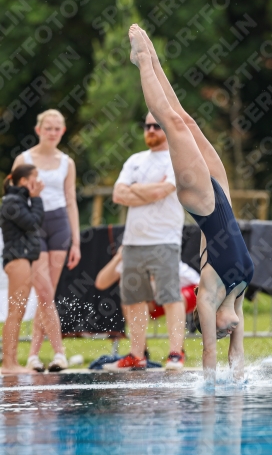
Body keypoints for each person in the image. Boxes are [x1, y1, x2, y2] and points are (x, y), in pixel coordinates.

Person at [128, 25, 254, 381]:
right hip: (221, 199)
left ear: (208, 317)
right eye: (232, 330)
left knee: (172, 126)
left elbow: (210, 355)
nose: (230, 330)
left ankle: (141, 61)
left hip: (204, 203)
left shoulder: (208, 294)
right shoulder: (240, 292)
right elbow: (237, 357)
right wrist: (238, 381)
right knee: (187, 121)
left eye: (220, 329)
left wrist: (211, 391)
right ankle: (151, 55)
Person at [111, 111, 186, 370]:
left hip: (164, 239)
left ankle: (176, 352)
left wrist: (136, 190)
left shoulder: (177, 159)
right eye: (147, 126)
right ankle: (136, 354)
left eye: (156, 125)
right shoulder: (134, 160)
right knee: (134, 299)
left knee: (169, 296)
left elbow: (162, 191)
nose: (151, 130)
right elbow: (118, 195)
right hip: (133, 240)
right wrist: (149, 191)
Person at [12, 109, 81, 372]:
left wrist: (75, 241)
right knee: (44, 291)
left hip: (59, 223)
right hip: (33, 223)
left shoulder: (67, 162)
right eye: (47, 128)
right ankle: (58, 352)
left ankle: (33, 356)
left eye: (57, 128)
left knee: (47, 293)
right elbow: (14, 200)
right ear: (38, 130)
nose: (52, 132)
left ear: (62, 131)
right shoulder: (24, 159)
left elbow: (71, 200)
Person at [0, 165, 44, 374]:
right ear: (24, 181)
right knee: (15, 312)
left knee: (17, 311)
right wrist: (36, 198)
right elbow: (34, 223)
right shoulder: (12, 202)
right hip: (17, 260)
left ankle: (11, 362)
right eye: (35, 177)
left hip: (22, 258)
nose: (39, 181)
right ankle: (9, 363)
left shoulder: (17, 201)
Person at [95, 246, 199, 319]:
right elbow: (101, 283)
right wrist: (118, 257)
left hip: (193, 289)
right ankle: (140, 349)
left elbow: (154, 278)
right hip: (158, 300)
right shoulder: (131, 257)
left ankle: (177, 348)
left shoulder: (157, 251)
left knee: (174, 298)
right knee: (130, 301)